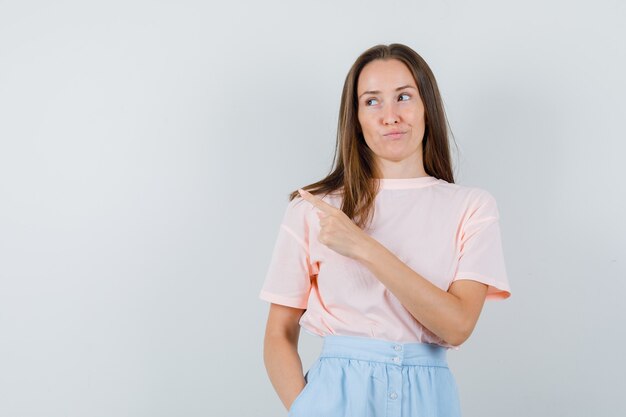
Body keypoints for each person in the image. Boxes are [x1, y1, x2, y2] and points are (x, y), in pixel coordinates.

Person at [258, 43, 512, 417]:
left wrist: (363, 247)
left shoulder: (471, 207)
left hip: (430, 398)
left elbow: (457, 326)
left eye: (404, 97)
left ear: (427, 107)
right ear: (356, 117)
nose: (390, 116)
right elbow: (278, 332)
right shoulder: (315, 208)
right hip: (335, 397)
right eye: (372, 101)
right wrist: (307, 409)